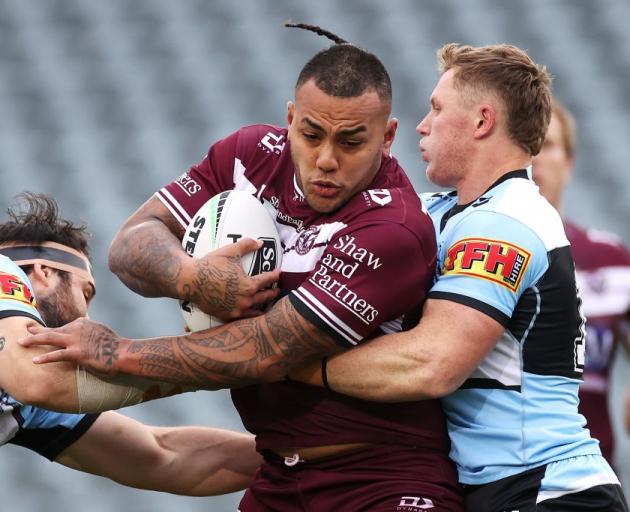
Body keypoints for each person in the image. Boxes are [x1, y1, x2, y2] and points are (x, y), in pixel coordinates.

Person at [21, 25, 464, 511]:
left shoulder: (395, 226)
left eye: (352, 142)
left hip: (383, 477)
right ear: (290, 119)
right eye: (311, 134)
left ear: (388, 137)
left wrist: (117, 351)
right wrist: (192, 278)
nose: (326, 160)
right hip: (279, 477)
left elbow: (269, 349)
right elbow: (131, 242)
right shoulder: (250, 156)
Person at [0, 192, 261, 496]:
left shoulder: (26, 402)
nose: (86, 314)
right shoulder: (4, 267)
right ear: (44, 273)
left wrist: (293, 450)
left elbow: (164, 457)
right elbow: (37, 381)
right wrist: (225, 359)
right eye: (85, 294)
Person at [531, 99, 630, 466]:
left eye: (547, 144)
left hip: (592, 479)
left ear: (569, 164)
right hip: (497, 481)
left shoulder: (613, 261)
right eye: (525, 144)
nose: (534, 157)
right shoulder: (469, 253)